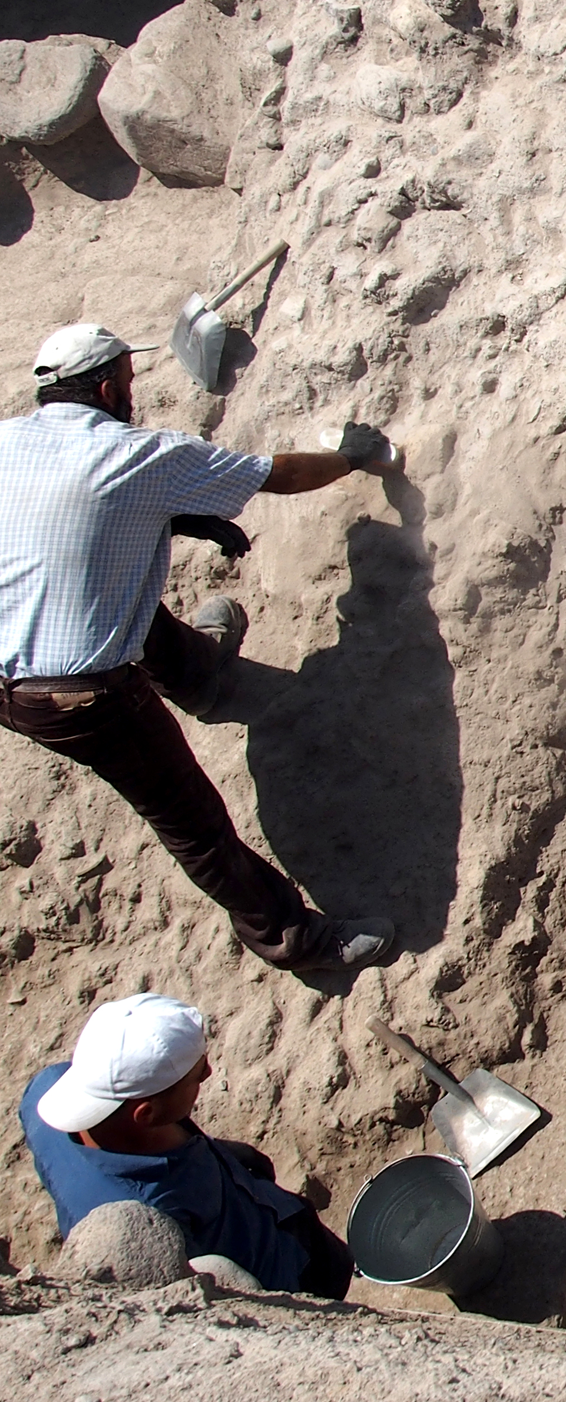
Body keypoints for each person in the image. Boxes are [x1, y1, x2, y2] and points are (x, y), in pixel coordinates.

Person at [0, 322, 402, 972]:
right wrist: (352, 457)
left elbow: (74, 512)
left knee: (95, 576)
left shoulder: (7, 442)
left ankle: (199, 675)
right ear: (106, 388)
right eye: (128, 385)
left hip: (9, 668)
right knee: (194, 823)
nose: (131, 396)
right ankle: (297, 939)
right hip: (85, 703)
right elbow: (282, 474)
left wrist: (178, 513)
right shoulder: (133, 453)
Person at [19, 992, 354, 1297]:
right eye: (195, 1075)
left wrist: (218, 1154)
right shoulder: (150, 1220)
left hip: (256, 1204)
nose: (208, 1073)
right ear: (146, 1113)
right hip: (283, 1272)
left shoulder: (48, 1090)